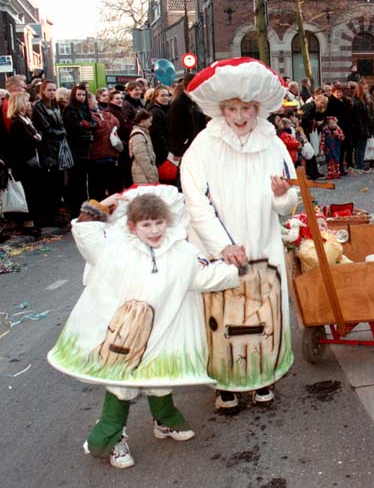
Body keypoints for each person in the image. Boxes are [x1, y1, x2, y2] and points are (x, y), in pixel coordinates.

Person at [47, 186, 239, 469]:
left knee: (161, 375)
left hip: (162, 331)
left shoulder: (182, 252)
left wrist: (234, 269)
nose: (154, 230)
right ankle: (110, 437)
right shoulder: (116, 248)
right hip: (125, 333)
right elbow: (87, 237)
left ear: (168, 221)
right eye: (146, 224)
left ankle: (165, 420)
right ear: (131, 226)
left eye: (159, 222)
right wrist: (95, 210)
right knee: (121, 385)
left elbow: (201, 277)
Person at [180, 57, 299, 410]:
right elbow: (195, 200)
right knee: (223, 313)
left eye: (246, 107)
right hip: (220, 248)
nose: (240, 115)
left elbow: (290, 197)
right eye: (232, 108)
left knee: (262, 311)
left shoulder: (274, 144)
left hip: (262, 242)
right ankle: (225, 384)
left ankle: (263, 376)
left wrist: (282, 196)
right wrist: (221, 245)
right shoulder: (203, 145)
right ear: (222, 110)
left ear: (257, 108)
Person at [32, 80, 71, 223]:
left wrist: (61, 132)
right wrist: (61, 133)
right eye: (49, 90)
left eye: (54, 90)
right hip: (47, 149)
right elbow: (46, 128)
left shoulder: (55, 106)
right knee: (51, 184)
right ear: (42, 91)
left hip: (58, 147)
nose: (52, 93)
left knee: (59, 183)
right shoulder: (39, 107)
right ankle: (49, 215)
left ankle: (55, 213)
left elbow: (60, 123)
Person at [6, 92, 45, 236]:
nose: (29, 104)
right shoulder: (17, 123)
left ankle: (34, 221)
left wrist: (37, 138)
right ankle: (29, 224)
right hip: (24, 164)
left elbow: (37, 137)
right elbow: (28, 141)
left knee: (33, 194)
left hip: (32, 162)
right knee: (28, 194)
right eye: (27, 101)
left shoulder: (26, 120)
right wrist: (36, 138)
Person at [63, 84, 98, 218]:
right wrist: (86, 125)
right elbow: (74, 127)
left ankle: (83, 211)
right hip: (76, 149)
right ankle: (75, 212)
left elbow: (93, 124)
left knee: (83, 183)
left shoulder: (85, 109)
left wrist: (87, 125)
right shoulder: (70, 109)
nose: (81, 97)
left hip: (86, 149)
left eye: (83, 95)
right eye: (79, 94)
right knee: (76, 183)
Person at [349, 80, 374, 172]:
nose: (366, 90)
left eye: (366, 88)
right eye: (364, 89)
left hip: (363, 126)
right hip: (359, 127)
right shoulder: (357, 101)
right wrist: (362, 129)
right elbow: (358, 117)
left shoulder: (363, 100)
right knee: (360, 147)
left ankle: (360, 163)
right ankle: (359, 164)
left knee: (362, 147)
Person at [129, 110, 159, 184]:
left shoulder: (143, 133)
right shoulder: (138, 135)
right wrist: (152, 177)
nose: (151, 124)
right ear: (143, 120)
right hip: (142, 174)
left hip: (143, 172)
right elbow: (142, 158)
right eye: (149, 121)